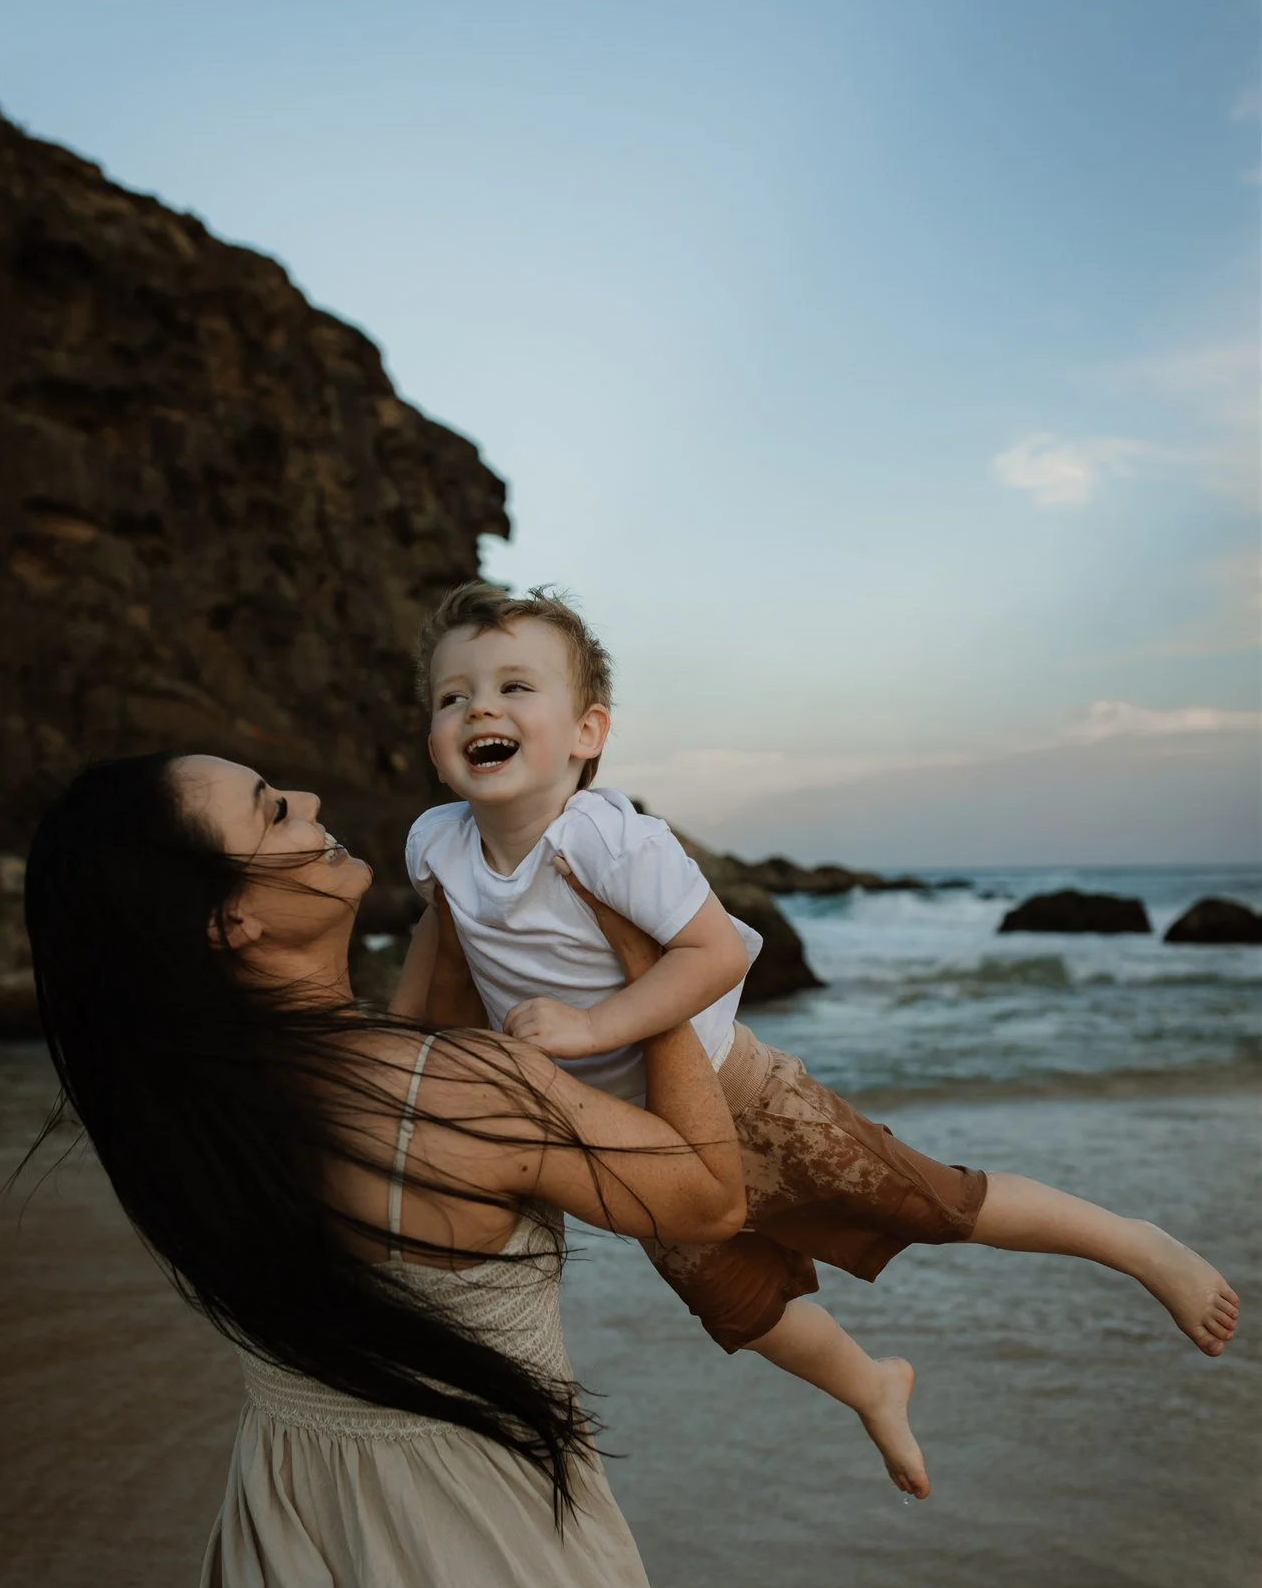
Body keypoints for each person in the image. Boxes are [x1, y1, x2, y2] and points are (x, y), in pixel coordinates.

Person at [23, 749, 748, 1588]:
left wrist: (459, 909)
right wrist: (652, 962)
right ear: (227, 923)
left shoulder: (192, 1118)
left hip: (298, 1583)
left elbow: (400, 1063)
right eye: (272, 811)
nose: (310, 805)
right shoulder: (454, 1090)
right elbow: (708, 1196)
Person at [401, 582, 1241, 1500]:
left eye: (515, 687)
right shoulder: (437, 846)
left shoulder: (606, 838)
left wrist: (595, 1025)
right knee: (736, 1304)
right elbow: (441, 979)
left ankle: (1135, 1243)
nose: (479, 706)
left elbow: (714, 952)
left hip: (738, 1094)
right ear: (437, 739)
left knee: (928, 1203)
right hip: (627, 1145)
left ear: (587, 733)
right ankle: (869, 1386)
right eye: (454, 696)